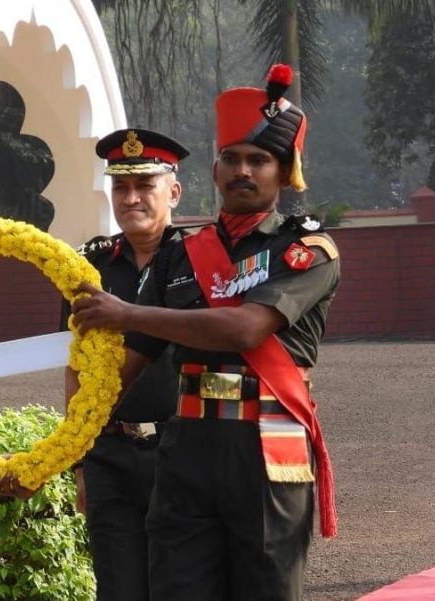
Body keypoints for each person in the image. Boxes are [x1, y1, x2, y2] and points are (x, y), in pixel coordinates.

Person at [71, 64, 340, 601]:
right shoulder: (180, 252)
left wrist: (128, 313)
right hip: (187, 452)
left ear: (285, 173)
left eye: (259, 160)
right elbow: (131, 362)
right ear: (215, 171)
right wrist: (63, 447)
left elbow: (244, 329)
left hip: (266, 450)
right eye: (232, 158)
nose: (244, 170)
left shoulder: (306, 252)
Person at [59, 128, 188, 601]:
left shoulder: (200, 261)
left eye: (144, 186)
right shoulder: (88, 267)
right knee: (119, 588)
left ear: (173, 191)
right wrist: (79, 463)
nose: (130, 198)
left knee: (179, 584)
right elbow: (75, 366)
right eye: (120, 187)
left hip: (180, 449)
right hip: (108, 456)